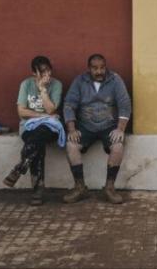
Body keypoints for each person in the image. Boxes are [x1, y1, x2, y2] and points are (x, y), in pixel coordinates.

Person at [62, 54, 131, 204]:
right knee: (71, 145)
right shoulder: (80, 81)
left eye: (102, 68)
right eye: (95, 68)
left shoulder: (115, 80)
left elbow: (125, 105)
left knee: (118, 146)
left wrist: (120, 129)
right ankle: (80, 188)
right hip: (85, 126)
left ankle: (109, 188)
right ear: (89, 69)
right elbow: (69, 104)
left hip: (109, 125)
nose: (99, 71)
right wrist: (72, 129)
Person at [3, 56, 65, 205]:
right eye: (42, 72)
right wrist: (43, 115)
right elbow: (21, 112)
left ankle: (24, 170)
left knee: (38, 137)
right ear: (34, 73)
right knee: (36, 144)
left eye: (48, 70)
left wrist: (43, 90)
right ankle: (36, 186)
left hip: (50, 127)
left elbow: (51, 109)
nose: (46, 75)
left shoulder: (56, 85)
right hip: (28, 125)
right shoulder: (26, 85)